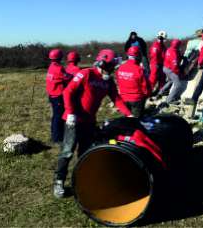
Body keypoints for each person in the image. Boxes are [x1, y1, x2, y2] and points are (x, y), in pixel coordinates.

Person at [53, 49, 133, 198]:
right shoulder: (86, 74)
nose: (112, 70)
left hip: (89, 122)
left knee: (85, 153)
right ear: (102, 63)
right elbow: (67, 92)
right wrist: (70, 112)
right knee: (67, 151)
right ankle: (59, 182)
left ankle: (81, 180)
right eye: (110, 67)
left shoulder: (108, 81)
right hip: (73, 120)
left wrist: (129, 114)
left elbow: (116, 99)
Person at [115, 46, 151, 117]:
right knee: (136, 121)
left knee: (127, 119)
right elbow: (145, 87)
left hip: (123, 98)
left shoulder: (120, 68)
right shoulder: (140, 70)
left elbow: (118, 82)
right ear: (138, 56)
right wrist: (147, 95)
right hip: (136, 99)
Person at [46, 49, 71, 144]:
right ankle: (57, 137)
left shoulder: (51, 67)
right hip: (58, 96)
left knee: (55, 116)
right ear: (60, 57)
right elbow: (67, 77)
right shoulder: (59, 68)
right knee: (59, 117)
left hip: (52, 95)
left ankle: (54, 134)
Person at [159, 39, 184, 104]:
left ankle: (160, 92)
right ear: (177, 45)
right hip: (171, 69)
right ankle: (169, 100)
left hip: (165, 67)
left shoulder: (169, 49)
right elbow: (174, 66)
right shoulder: (174, 53)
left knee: (170, 80)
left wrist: (181, 57)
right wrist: (179, 73)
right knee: (178, 84)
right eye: (179, 45)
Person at [148, 30, 167, 94]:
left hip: (161, 63)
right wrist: (155, 64)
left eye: (162, 38)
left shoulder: (162, 46)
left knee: (162, 77)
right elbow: (154, 56)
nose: (161, 40)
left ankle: (161, 90)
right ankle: (149, 91)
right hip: (155, 64)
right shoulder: (155, 46)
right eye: (161, 38)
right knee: (153, 78)